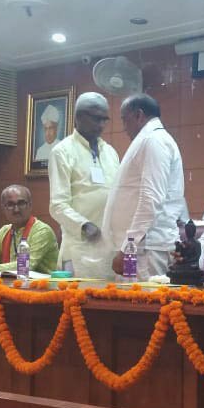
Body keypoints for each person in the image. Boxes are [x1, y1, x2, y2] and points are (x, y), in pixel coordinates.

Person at [102, 94, 187, 280]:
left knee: (142, 298)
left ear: (139, 115)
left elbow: (151, 199)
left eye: (125, 119)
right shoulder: (148, 139)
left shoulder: (153, 140)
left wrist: (127, 248)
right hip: (141, 247)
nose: (124, 127)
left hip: (146, 248)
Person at [48, 92, 120, 275]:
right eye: (96, 119)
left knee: (111, 293)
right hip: (79, 248)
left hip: (109, 249)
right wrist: (84, 225)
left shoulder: (110, 152)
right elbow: (57, 205)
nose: (101, 125)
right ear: (78, 117)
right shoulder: (62, 151)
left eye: (104, 119)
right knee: (80, 294)